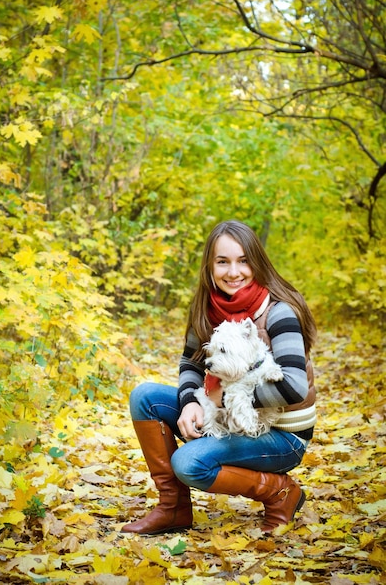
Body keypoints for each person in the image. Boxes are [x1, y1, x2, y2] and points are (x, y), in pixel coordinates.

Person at [121, 220, 317, 535]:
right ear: (210, 267)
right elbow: (191, 362)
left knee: (189, 463)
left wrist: (224, 398)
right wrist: (188, 404)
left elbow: (295, 386)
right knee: (144, 397)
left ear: (257, 262)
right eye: (222, 261)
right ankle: (173, 509)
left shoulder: (279, 312)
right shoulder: (207, 308)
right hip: (226, 418)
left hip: (281, 435)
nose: (233, 271)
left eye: (243, 261)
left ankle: (280, 492)